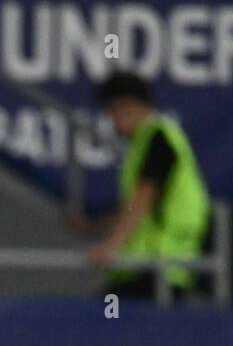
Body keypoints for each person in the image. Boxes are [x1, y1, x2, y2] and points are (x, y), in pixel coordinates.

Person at [73, 71, 212, 300]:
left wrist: (111, 245)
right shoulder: (144, 143)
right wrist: (96, 226)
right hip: (146, 265)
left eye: (113, 113)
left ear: (126, 106)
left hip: (160, 264)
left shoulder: (159, 137)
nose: (114, 123)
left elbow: (144, 199)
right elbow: (136, 205)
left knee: (103, 321)